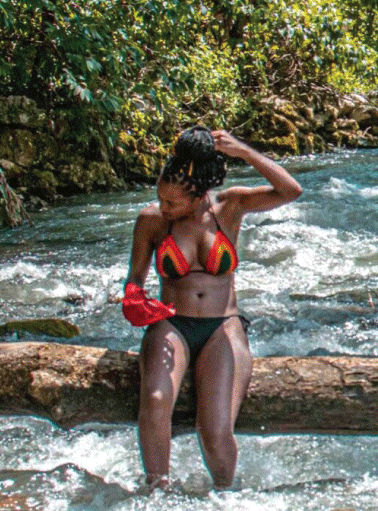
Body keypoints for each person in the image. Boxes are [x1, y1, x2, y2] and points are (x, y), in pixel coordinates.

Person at [121, 126, 301, 491]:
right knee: (155, 400)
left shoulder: (230, 206)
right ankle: (157, 491)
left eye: (173, 203)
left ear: (200, 195)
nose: (165, 208)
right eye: (161, 199)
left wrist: (246, 153)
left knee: (215, 431)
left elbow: (290, 190)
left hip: (223, 327)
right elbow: (135, 278)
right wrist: (135, 301)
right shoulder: (152, 220)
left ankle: (225, 497)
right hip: (171, 324)